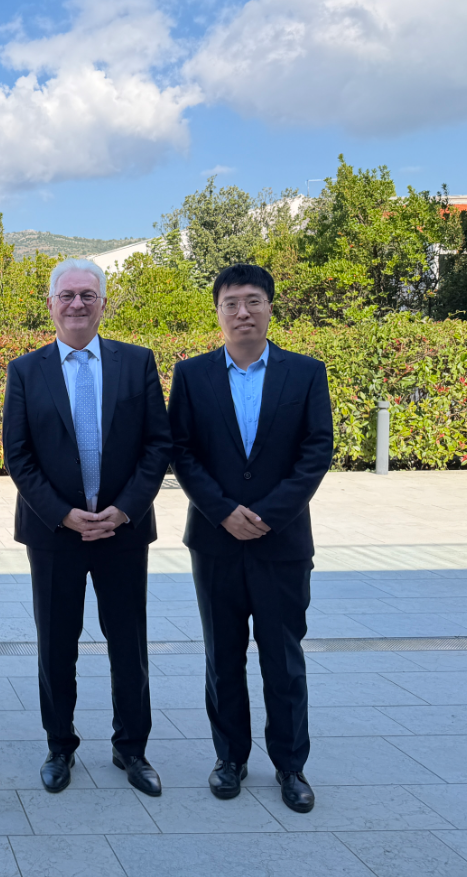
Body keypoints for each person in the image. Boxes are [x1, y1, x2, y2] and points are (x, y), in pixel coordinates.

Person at [2, 259, 171, 797]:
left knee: (128, 643)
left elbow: (157, 445)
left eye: (87, 295)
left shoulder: (137, 362)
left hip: (123, 531)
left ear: (103, 303)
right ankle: (60, 746)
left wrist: (123, 509)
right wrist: (63, 513)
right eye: (67, 295)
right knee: (56, 645)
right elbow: (18, 455)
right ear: (50, 304)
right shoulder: (25, 370)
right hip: (55, 533)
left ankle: (132, 748)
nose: (77, 304)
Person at [169, 263, 332, 814]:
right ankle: (229, 758)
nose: (243, 312)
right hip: (215, 541)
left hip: (280, 541)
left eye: (253, 301)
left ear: (269, 308)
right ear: (218, 312)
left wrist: (266, 514)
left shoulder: (305, 373)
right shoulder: (191, 375)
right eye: (231, 303)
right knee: (223, 656)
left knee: (283, 658)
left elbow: (317, 450)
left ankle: (291, 764)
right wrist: (222, 511)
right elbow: (182, 451)